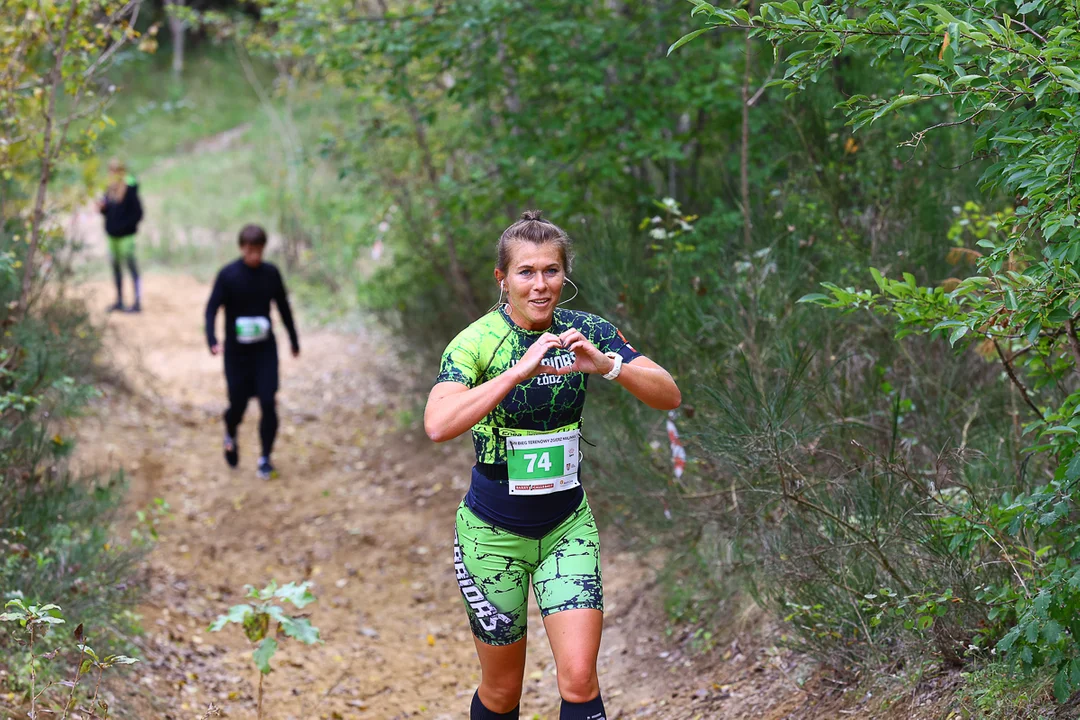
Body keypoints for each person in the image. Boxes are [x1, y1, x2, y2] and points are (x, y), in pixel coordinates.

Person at [425, 211, 681, 720]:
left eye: (551, 271)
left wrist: (608, 366)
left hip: (567, 528)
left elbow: (668, 394)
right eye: (526, 272)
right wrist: (517, 373)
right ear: (503, 279)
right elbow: (438, 424)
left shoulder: (586, 330)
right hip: (491, 538)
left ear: (565, 275)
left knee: (580, 679)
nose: (540, 285)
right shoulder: (476, 342)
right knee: (502, 692)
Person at [204, 224, 300, 480]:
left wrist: (293, 339)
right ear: (241, 249)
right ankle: (230, 431)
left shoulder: (271, 274)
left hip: (264, 351)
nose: (254, 256)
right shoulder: (228, 275)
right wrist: (212, 338)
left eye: (258, 251)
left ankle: (265, 458)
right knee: (238, 403)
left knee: (268, 402)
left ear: (263, 249)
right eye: (249, 251)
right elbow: (212, 308)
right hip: (236, 353)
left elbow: (283, 307)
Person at [97, 159, 144, 313]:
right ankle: (119, 300)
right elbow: (107, 212)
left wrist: (127, 227)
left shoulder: (130, 190)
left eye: (116, 170)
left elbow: (138, 213)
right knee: (116, 267)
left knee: (131, 266)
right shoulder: (109, 189)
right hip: (112, 236)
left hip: (126, 236)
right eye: (111, 170)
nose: (113, 173)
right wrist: (102, 209)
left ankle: (137, 302)